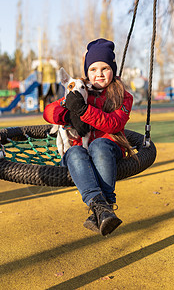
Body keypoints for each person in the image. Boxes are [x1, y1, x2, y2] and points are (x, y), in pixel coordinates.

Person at [43, 38, 134, 236]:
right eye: (93, 69)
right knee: (74, 151)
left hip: (109, 149)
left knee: (100, 145)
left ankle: (103, 204)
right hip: (80, 154)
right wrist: (68, 113)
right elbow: (49, 112)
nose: (99, 74)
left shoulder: (123, 96)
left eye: (104, 68)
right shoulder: (80, 89)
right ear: (87, 72)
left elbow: (114, 124)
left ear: (113, 69)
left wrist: (83, 111)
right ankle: (102, 208)